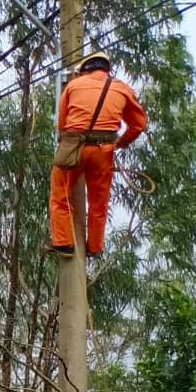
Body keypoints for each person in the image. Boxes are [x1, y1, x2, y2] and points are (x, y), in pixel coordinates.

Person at [49, 51, 147, 258]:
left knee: (60, 194)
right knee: (98, 201)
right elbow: (139, 125)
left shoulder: (73, 86)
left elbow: (61, 124)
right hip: (104, 150)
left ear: (85, 69)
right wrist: (120, 143)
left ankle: (64, 243)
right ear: (106, 68)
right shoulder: (122, 88)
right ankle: (94, 246)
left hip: (74, 145)